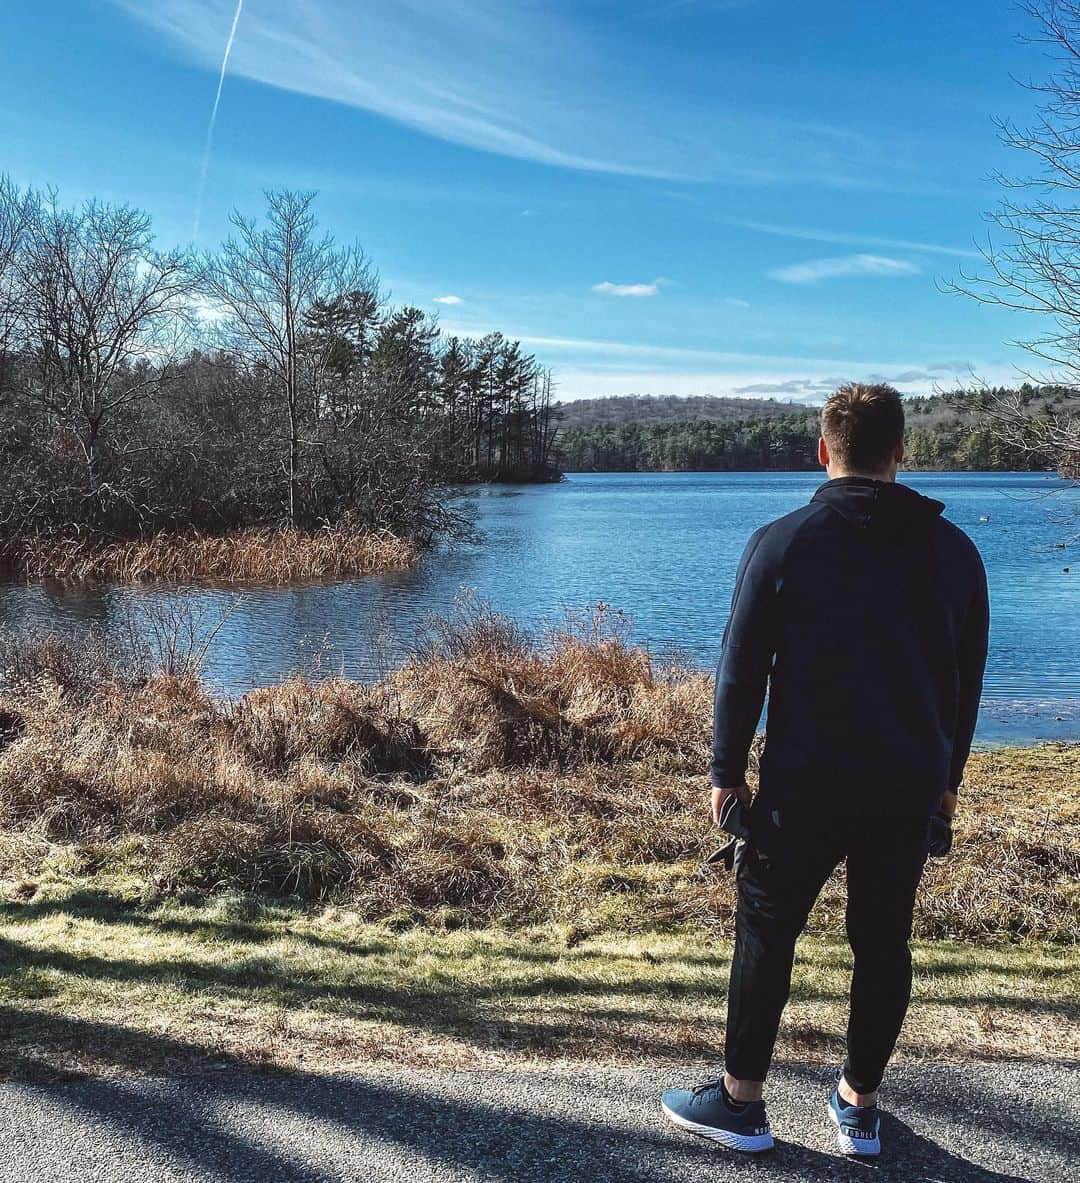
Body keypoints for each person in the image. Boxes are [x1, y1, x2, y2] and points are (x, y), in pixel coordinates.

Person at [660, 382, 989, 1157]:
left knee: (767, 933)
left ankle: (741, 1103)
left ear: (823, 450)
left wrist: (724, 770)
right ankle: (857, 1105)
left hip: (803, 785)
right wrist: (950, 778)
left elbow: (739, 672)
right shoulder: (955, 554)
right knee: (883, 942)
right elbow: (964, 681)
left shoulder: (783, 541)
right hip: (907, 786)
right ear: (901, 452)